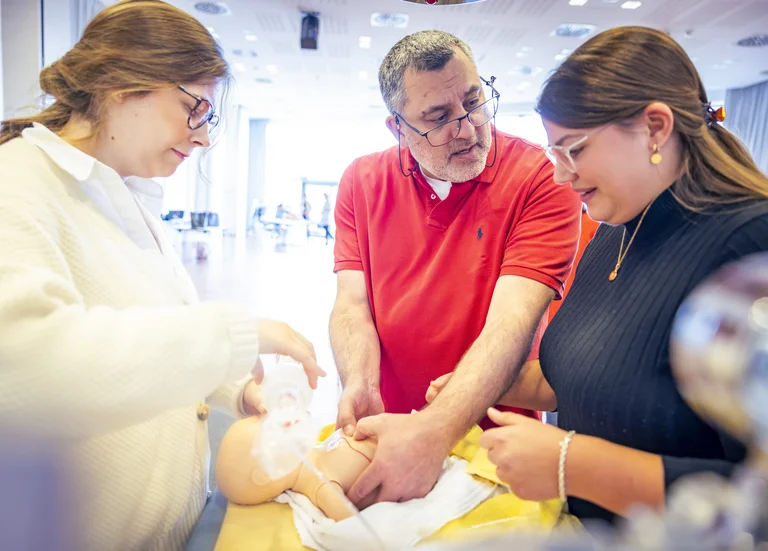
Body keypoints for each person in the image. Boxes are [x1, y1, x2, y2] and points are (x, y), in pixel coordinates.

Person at [0, 2, 323, 550]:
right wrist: (234, 337)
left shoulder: (123, 195)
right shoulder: (19, 182)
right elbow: (27, 369)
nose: (202, 139)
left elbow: (149, 334)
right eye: (193, 108)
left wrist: (238, 389)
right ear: (122, 82)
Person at [439, 26, 768, 525]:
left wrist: (575, 466)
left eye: (574, 150)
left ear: (655, 127)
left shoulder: (749, 246)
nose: (560, 174)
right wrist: (474, 386)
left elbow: (755, 495)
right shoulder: (613, 234)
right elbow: (584, 377)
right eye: (554, 154)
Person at [329, 30, 582, 506]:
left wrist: (435, 430)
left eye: (473, 102)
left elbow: (513, 322)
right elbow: (351, 304)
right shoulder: (361, 181)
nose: (466, 129)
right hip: (387, 429)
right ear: (398, 128)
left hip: (496, 451)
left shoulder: (540, 179)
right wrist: (360, 381)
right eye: (438, 118)